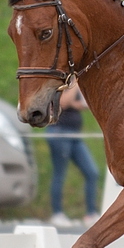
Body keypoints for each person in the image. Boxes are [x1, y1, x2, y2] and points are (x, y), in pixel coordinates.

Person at [45, 84, 100, 228]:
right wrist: (75, 85)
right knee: (59, 173)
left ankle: (91, 213)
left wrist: (75, 102)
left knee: (92, 172)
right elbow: (62, 102)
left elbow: (83, 104)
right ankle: (57, 213)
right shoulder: (59, 83)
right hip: (59, 132)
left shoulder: (71, 85)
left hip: (75, 134)